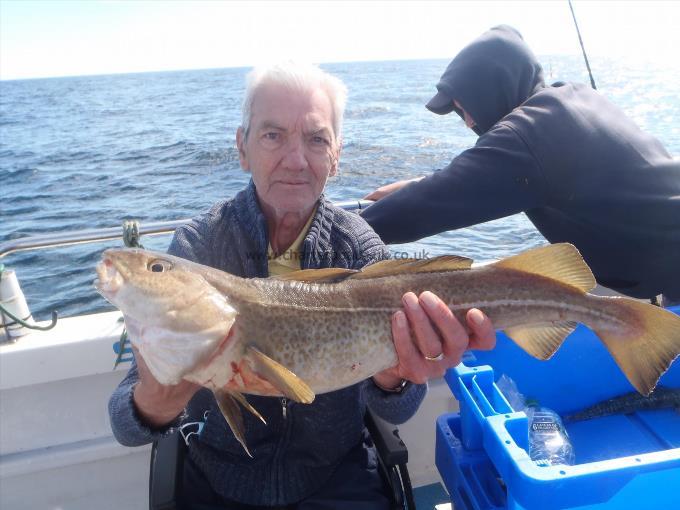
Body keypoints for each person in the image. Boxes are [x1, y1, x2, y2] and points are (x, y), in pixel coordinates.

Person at [109, 62, 496, 510]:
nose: (295, 160)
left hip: (335, 476)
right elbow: (125, 423)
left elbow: (395, 411)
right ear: (242, 147)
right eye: (273, 135)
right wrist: (157, 401)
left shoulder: (358, 247)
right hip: (219, 481)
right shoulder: (199, 246)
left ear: (336, 157)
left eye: (316, 140)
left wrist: (396, 378)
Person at [362, 25, 680, 305]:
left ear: (494, 87)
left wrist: (343, 232)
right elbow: (476, 176)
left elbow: (431, 204)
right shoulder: (570, 100)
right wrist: (412, 185)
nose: (469, 121)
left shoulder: (532, 133)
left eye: (467, 107)